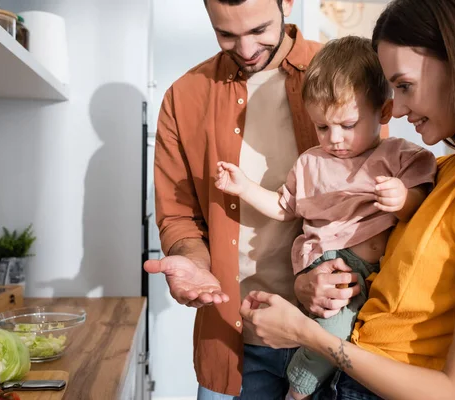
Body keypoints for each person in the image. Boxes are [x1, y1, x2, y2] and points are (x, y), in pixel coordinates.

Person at [239, 0, 455, 399]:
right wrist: (309, 285)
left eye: (404, 86)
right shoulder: (452, 170)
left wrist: (305, 334)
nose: (397, 110)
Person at [144, 0, 370, 398]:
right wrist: (194, 261)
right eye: (226, 34)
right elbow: (178, 216)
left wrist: (332, 278)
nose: (246, 50)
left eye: (260, 30)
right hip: (235, 344)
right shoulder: (185, 98)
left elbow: (368, 201)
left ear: (287, 3)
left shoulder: (341, 74)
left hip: (330, 337)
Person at [214, 35, 436, 400]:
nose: (334, 139)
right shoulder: (311, 163)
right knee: (332, 325)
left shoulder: (399, 156)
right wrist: (245, 188)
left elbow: (423, 207)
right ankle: (298, 389)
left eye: (347, 125)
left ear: (382, 112)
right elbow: (284, 208)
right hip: (325, 262)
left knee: (348, 331)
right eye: (322, 127)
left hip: (371, 273)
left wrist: (402, 198)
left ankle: (305, 384)